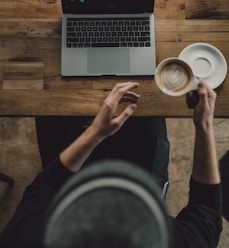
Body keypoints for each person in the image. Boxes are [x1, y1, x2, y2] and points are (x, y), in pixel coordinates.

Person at [0, 81, 222, 248]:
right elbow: (206, 208)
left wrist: (95, 132)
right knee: (145, 98)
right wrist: (204, 125)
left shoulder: (31, 237)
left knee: (50, 102)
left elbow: (45, 186)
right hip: (140, 187)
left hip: (76, 189)